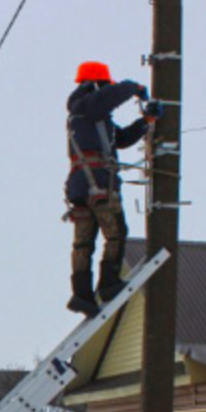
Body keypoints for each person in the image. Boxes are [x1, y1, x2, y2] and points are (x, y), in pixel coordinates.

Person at [63, 60, 162, 316]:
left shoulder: (89, 119)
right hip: (97, 185)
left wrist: (145, 121)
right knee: (116, 232)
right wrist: (135, 87)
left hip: (81, 188)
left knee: (84, 243)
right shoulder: (87, 105)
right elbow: (113, 94)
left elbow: (121, 139)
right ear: (95, 83)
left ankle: (82, 295)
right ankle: (108, 284)